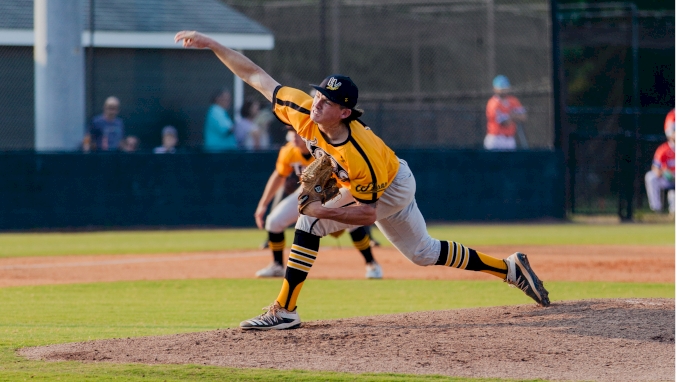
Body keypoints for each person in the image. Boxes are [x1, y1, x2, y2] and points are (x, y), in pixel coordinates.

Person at [175, 31, 549, 331]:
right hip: (381, 178)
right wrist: (212, 44)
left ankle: (285, 310)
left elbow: (368, 213)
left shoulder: (359, 152)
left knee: (309, 220)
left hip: (389, 185)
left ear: (345, 111)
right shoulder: (305, 110)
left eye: (327, 100)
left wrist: (322, 208)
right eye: (320, 93)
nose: (318, 101)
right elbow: (256, 77)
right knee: (422, 253)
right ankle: (510, 268)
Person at [254, 128, 383, 279]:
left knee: (353, 224)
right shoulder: (288, 151)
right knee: (274, 221)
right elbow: (279, 175)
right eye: (291, 133)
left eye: (297, 133)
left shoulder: (324, 148)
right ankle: (277, 266)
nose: (294, 136)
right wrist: (263, 204)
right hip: (308, 193)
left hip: (337, 190)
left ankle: (371, 263)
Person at [645, 108, 675, 214]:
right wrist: (664, 172)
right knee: (651, 177)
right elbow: (655, 168)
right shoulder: (663, 149)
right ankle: (656, 209)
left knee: (675, 210)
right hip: (669, 179)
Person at [484, 75, 527, 151]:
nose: (504, 91)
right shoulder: (493, 103)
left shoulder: (513, 101)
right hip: (495, 139)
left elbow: (523, 117)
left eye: (505, 88)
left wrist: (510, 116)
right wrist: (513, 115)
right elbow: (505, 122)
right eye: (501, 89)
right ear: (495, 89)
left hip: (510, 139)